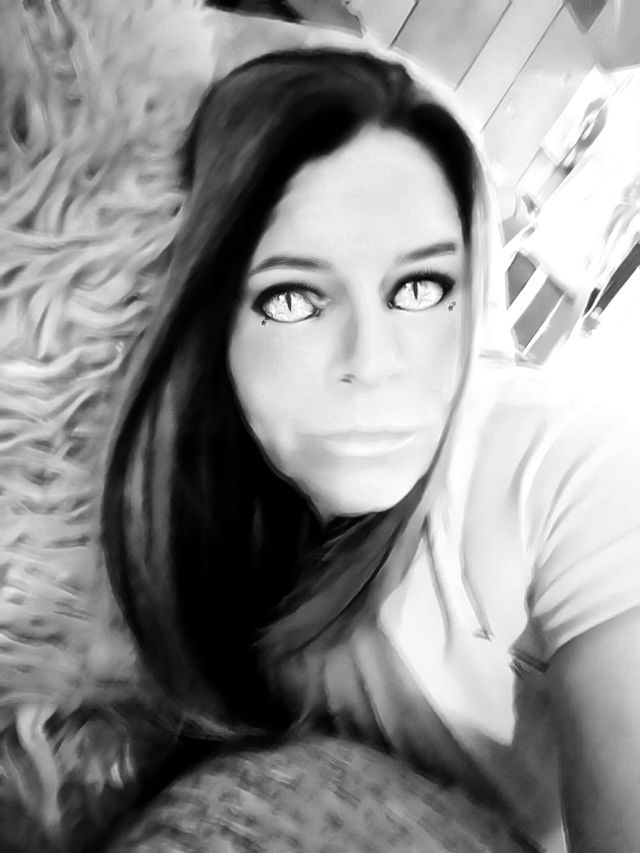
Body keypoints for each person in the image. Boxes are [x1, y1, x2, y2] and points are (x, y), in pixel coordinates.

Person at [100, 44, 640, 853]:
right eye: (294, 297)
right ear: (205, 320)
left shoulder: (559, 465)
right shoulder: (199, 525)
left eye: (419, 288)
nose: (375, 359)